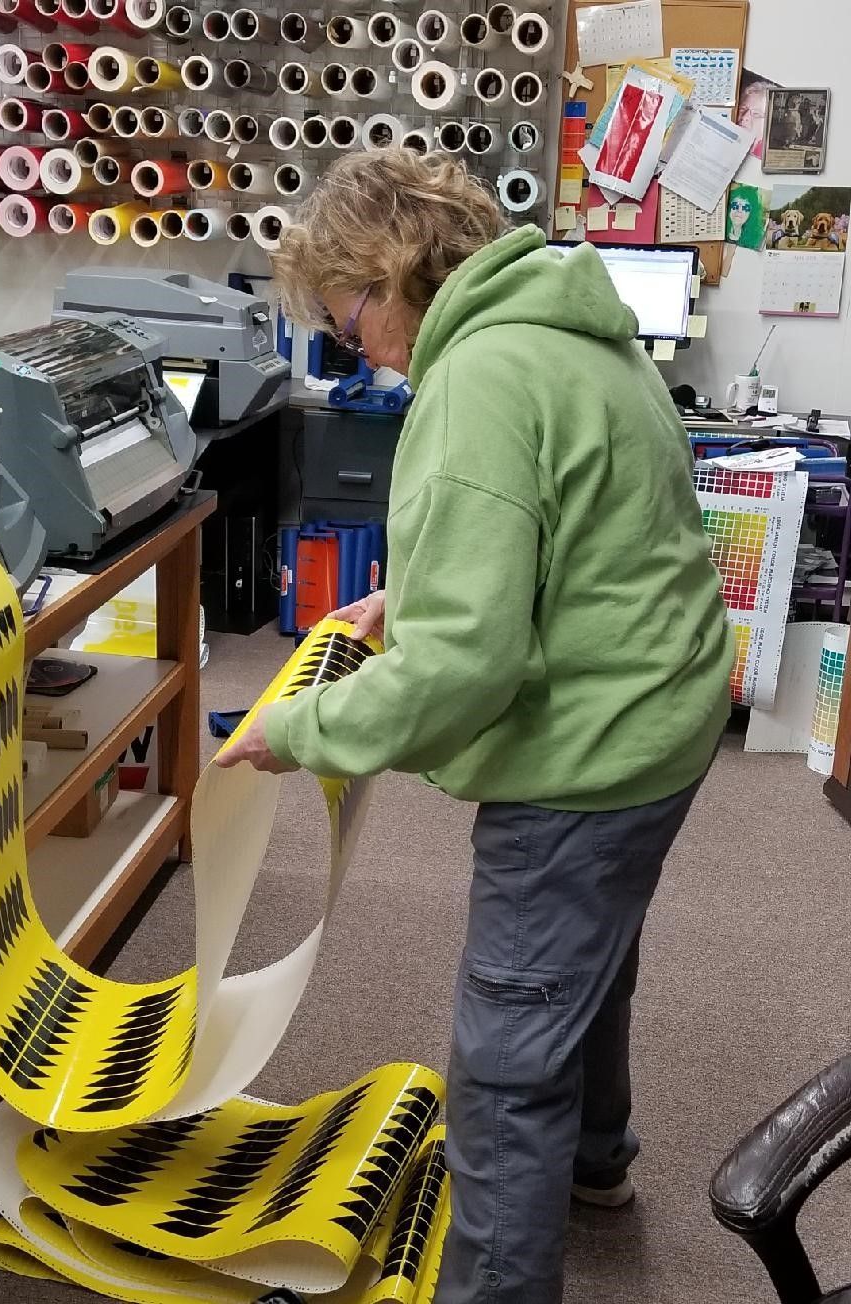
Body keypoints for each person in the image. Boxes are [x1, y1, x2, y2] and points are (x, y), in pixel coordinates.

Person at [217, 149, 732, 1304]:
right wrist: (415, 589)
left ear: (391, 273)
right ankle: (596, 1164)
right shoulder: (576, 328)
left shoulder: (477, 381)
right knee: (588, 954)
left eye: (347, 319)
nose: (360, 348)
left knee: (506, 1056)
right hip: (669, 707)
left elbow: (466, 664)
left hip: (591, 748)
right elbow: (593, 520)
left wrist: (297, 728)